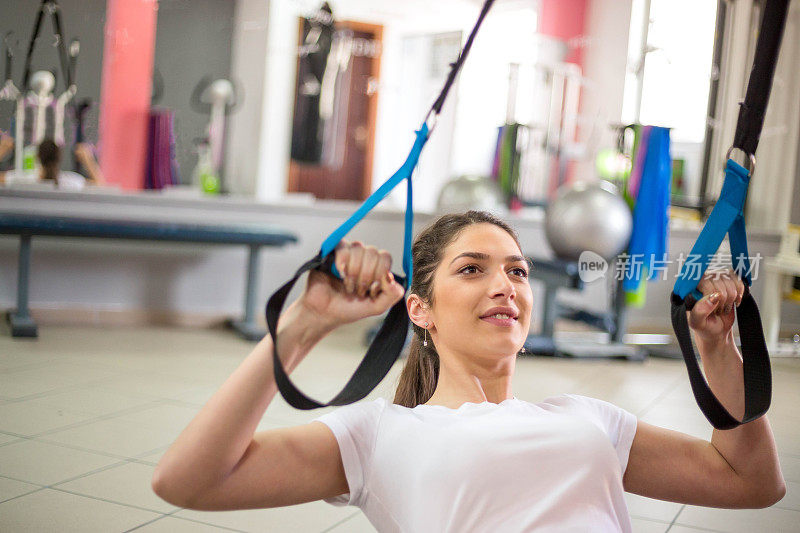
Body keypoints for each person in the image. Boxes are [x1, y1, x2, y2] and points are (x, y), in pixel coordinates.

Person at [152, 211, 785, 532]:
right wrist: (304, 325)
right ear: (418, 310)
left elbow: (750, 483)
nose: (505, 285)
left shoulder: (588, 419)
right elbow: (189, 482)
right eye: (471, 268)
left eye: (516, 270)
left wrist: (714, 350)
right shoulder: (378, 434)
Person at [0, 134, 104, 190]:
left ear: (37, 157)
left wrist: (2, 150)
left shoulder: (24, 180)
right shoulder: (71, 182)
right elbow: (100, 185)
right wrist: (88, 160)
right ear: (59, 157)